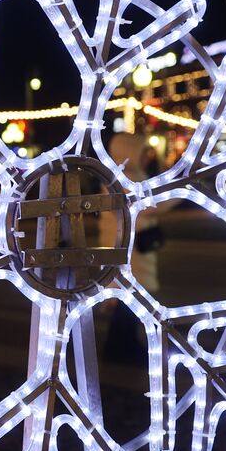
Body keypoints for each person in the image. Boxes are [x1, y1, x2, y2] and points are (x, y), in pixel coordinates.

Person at [100, 132, 162, 363]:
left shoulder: (127, 177)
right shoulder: (123, 182)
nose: (148, 156)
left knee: (130, 302)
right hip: (128, 253)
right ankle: (120, 349)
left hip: (135, 250)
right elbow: (153, 206)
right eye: (142, 151)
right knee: (128, 301)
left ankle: (122, 346)